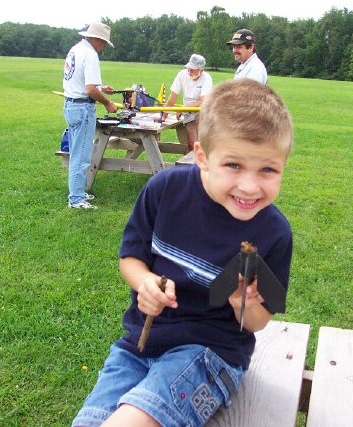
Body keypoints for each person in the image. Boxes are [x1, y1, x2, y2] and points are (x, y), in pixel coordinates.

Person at [71, 79, 294, 427]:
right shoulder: (165, 190)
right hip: (139, 346)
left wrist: (242, 301)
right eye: (233, 165)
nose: (250, 186)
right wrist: (145, 283)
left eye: (268, 169)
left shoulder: (273, 233)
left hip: (211, 353)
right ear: (203, 156)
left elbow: (258, 321)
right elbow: (130, 258)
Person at [62, 22, 118, 209]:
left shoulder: (75, 50)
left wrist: (104, 89)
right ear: (98, 40)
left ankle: (78, 191)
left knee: (77, 152)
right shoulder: (91, 54)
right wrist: (107, 103)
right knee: (82, 155)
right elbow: (90, 89)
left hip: (71, 105)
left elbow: (85, 83)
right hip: (83, 108)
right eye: (103, 43)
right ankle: (76, 199)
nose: (103, 48)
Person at [162, 54, 213, 152]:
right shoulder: (182, 74)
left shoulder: (207, 78)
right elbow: (173, 97)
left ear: (201, 69)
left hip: (202, 113)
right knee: (191, 145)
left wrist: (183, 108)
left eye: (193, 69)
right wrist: (164, 116)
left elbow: (203, 101)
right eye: (188, 68)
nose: (189, 71)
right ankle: (191, 165)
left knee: (200, 146)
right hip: (188, 113)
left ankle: (201, 166)